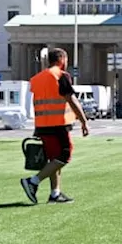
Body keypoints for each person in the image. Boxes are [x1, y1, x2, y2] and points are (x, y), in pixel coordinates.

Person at [20, 48, 89, 204]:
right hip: (58, 124)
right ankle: (33, 181)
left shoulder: (37, 78)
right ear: (62, 59)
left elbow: (37, 102)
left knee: (54, 159)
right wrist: (84, 121)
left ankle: (55, 194)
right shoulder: (60, 76)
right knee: (65, 155)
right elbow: (72, 100)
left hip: (42, 125)